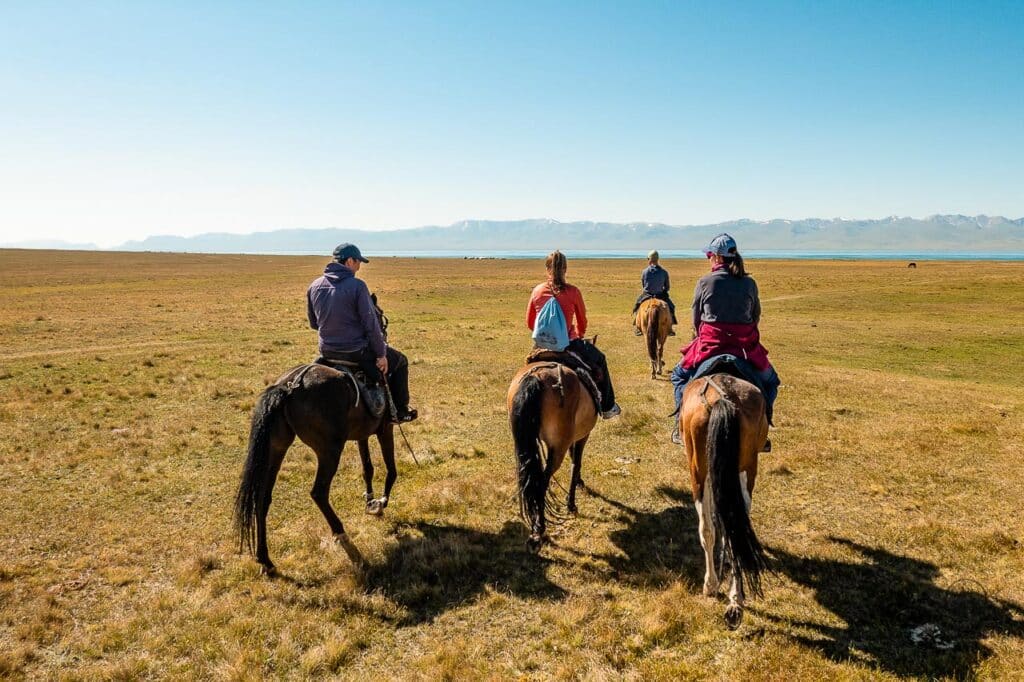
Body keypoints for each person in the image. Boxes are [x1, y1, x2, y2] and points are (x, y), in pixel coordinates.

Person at [670, 234, 779, 447]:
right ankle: (762, 430)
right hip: (744, 348)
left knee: (679, 375)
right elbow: (755, 316)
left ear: (717, 258)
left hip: (710, 346)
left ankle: (678, 424)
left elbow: (696, 319)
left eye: (709, 255)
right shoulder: (749, 283)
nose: (709, 258)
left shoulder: (704, 281)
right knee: (770, 381)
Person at [307, 243, 417, 423]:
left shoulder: (314, 286)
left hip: (327, 352)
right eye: (358, 262)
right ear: (349, 261)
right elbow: (371, 324)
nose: (359, 267)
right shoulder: (357, 286)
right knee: (400, 361)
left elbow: (314, 323)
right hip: (356, 352)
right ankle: (400, 411)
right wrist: (381, 354)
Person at [526, 250, 621, 419]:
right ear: (565, 269)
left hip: (542, 344)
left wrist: (546, 336)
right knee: (600, 359)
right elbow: (582, 321)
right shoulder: (573, 292)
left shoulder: (537, 291)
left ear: (547, 268)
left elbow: (530, 322)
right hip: (568, 343)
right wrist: (578, 334)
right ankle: (607, 406)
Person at [631, 250, 677, 335]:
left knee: (637, 305)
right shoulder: (664, 272)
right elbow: (667, 287)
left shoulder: (644, 272)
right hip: (660, 295)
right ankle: (670, 328)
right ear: (657, 259)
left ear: (649, 259)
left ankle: (638, 327)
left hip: (647, 294)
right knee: (671, 307)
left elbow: (643, 284)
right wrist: (663, 290)